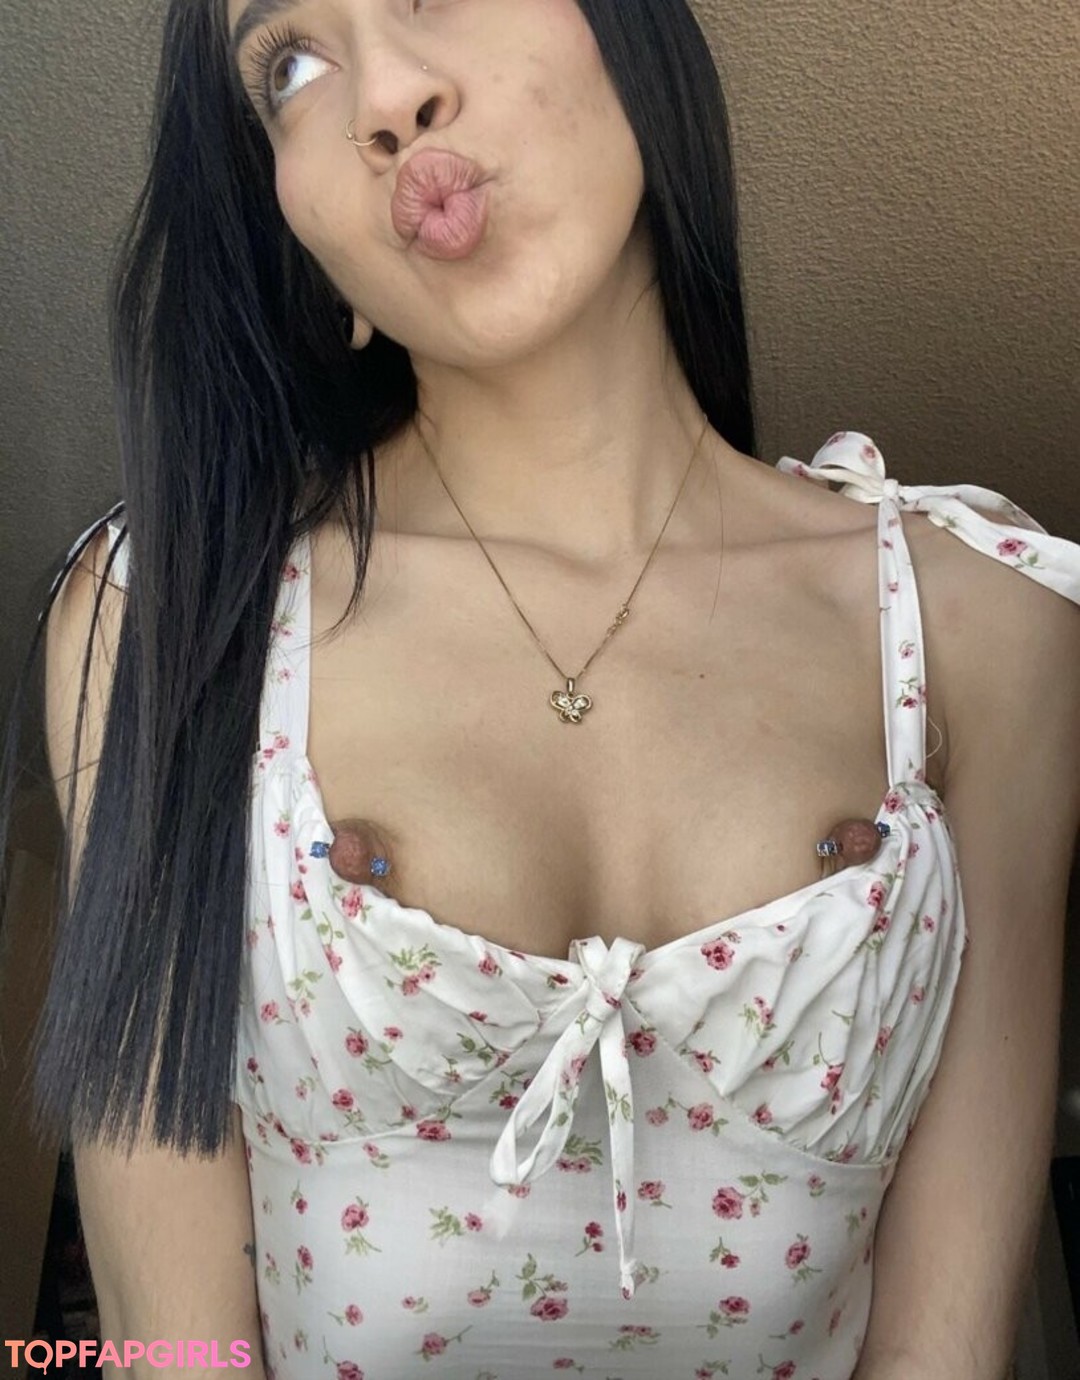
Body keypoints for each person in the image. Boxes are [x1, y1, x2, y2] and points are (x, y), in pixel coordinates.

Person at [6, 0, 1079, 1376]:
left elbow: (948, 1344)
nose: (385, 97)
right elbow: (175, 1354)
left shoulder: (979, 626)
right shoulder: (167, 621)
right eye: (291, 64)